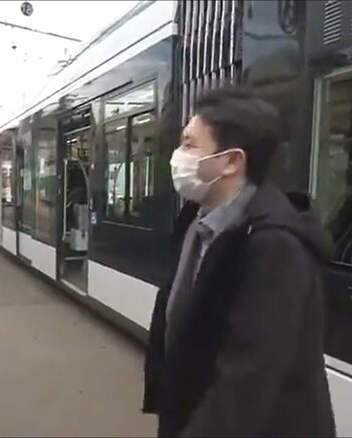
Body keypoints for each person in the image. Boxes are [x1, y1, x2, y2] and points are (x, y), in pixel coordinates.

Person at [142, 88, 336, 437]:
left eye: (189, 145)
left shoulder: (275, 245)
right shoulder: (196, 218)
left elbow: (249, 378)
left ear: (231, 161)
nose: (177, 158)